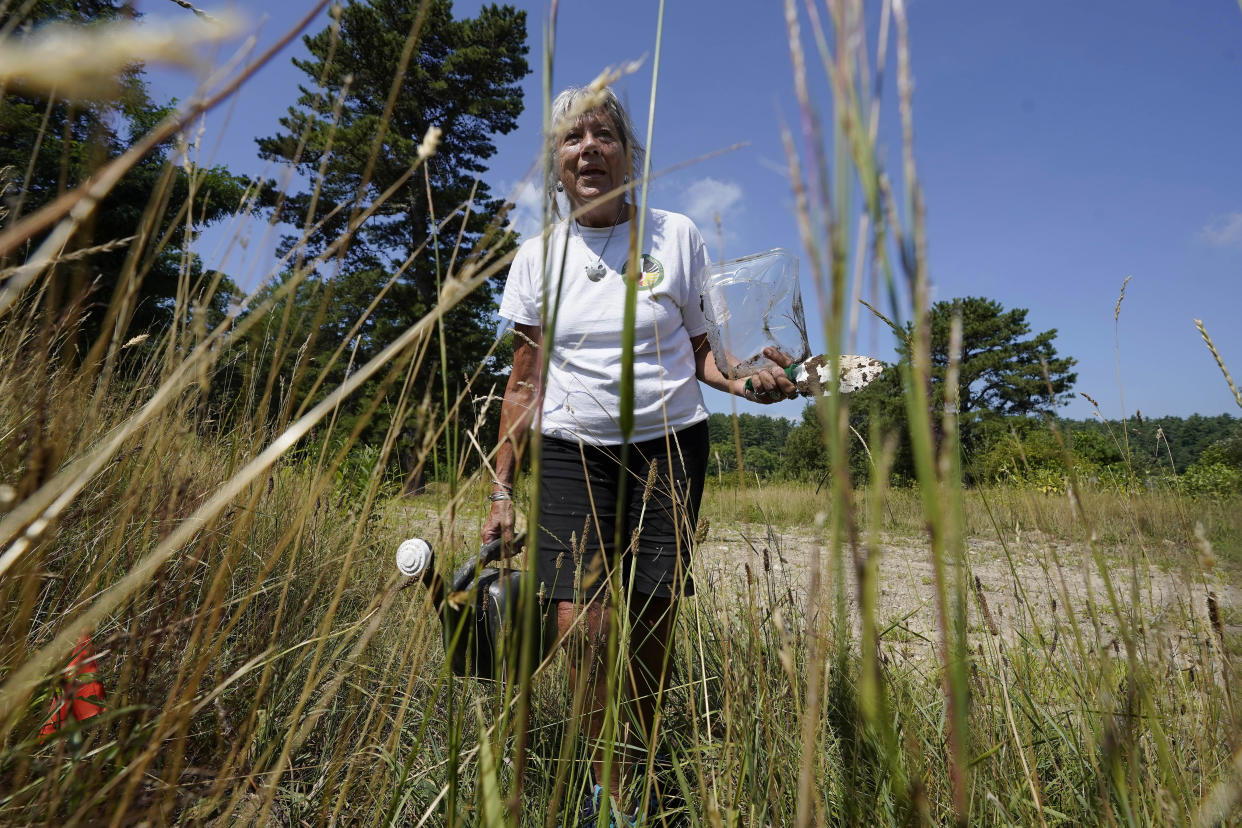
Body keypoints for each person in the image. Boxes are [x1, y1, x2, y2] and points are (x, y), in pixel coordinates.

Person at [482, 85, 797, 824]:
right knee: (583, 626)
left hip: (670, 448)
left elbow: (702, 354)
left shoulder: (676, 236)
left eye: (602, 135)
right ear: (556, 164)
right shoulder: (539, 258)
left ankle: (646, 755)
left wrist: (747, 381)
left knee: (652, 622)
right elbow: (524, 381)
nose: (587, 149)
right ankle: (611, 788)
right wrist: (501, 488)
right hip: (572, 452)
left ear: (628, 153)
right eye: (571, 139)